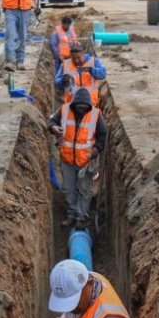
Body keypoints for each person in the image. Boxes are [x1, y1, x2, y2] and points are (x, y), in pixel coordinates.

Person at [48, 87, 107, 229]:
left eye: (84, 107)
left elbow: (102, 135)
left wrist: (96, 150)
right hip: (67, 159)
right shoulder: (64, 110)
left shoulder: (95, 114)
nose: (81, 109)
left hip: (85, 161)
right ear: (74, 105)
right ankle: (72, 214)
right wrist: (54, 128)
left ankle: (81, 217)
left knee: (84, 189)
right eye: (79, 107)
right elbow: (51, 123)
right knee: (69, 188)